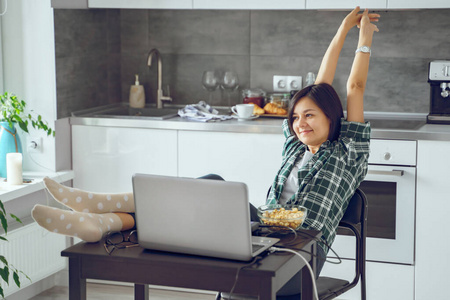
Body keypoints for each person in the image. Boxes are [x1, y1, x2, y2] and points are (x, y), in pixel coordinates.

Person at [32, 6, 379, 297]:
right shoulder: (294, 147)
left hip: (301, 259)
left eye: (310, 116)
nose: (300, 123)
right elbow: (318, 86)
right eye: (296, 117)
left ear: (332, 117)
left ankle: (107, 213)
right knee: (210, 186)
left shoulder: (347, 152)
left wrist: (361, 37)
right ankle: (104, 218)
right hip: (263, 236)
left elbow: (354, 86)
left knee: (217, 262)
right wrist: (340, 30)